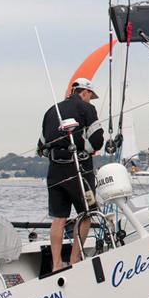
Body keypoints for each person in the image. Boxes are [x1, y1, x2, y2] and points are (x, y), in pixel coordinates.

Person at [39, 77, 104, 272]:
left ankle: (57, 265)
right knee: (87, 214)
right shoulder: (87, 109)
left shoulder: (51, 110)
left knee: (58, 218)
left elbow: (41, 148)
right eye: (90, 97)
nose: (90, 100)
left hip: (54, 171)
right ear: (85, 92)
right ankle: (75, 261)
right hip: (78, 170)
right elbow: (98, 141)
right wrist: (84, 149)